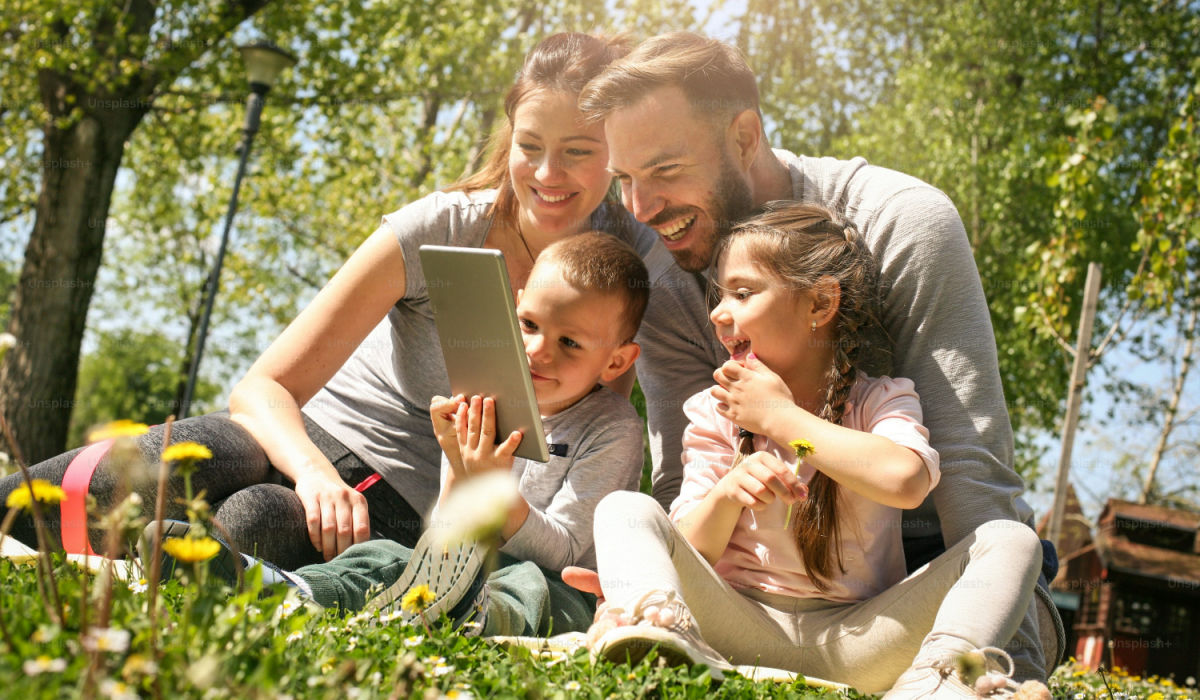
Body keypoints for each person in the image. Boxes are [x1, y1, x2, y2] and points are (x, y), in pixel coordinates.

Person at [0, 32, 651, 570]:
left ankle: (157, 567)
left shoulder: (622, 266)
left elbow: (587, 436)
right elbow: (264, 388)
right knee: (199, 453)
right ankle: (14, 511)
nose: (546, 174)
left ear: (615, 152)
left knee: (255, 520)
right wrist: (314, 474)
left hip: (400, 502)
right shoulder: (437, 228)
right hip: (308, 442)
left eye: (578, 152)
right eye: (529, 146)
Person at [573, 31, 1062, 681]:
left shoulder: (903, 225)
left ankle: (953, 679)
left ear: (745, 137)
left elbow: (971, 473)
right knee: (631, 516)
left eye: (664, 171)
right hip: (744, 590)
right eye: (624, 181)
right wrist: (651, 578)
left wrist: (1012, 664)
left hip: (907, 583)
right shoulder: (667, 287)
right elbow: (680, 489)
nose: (641, 207)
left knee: (1009, 555)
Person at [586, 203, 1050, 699]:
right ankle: (660, 629)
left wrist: (783, 422)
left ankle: (937, 679)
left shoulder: (881, 400)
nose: (720, 312)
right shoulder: (714, 410)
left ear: (819, 304)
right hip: (732, 627)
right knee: (624, 509)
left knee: (1012, 540)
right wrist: (725, 497)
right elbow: (691, 548)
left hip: (860, 642)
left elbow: (905, 482)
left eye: (742, 293)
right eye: (720, 295)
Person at [150, 232, 648, 637]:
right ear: (511, 309)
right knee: (384, 556)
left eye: (569, 342)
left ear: (616, 361)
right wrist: (457, 471)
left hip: (549, 581)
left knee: (532, 589)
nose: (539, 351)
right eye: (529, 324)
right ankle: (289, 591)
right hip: (455, 564)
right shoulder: (488, 394)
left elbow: (564, 553)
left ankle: (469, 618)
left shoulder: (613, 429)